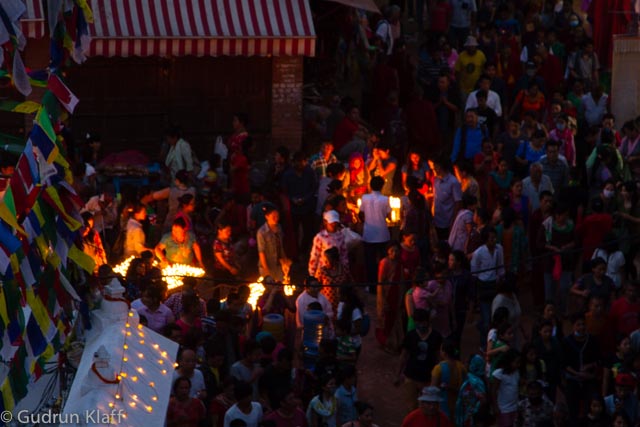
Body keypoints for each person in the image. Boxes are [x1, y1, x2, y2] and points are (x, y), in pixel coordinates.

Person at [395, 309, 443, 412]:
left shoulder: (436, 336)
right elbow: (403, 356)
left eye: (423, 322)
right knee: (411, 407)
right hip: (411, 377)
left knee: (426, 408)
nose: (421, 325)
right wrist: (397, 374)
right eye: (418, 322)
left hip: (428, 378)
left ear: (428, 321)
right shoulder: (410, 336)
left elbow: (438, 357)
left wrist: (439, 376)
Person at [563, 312, 600, 422]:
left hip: (589, 378)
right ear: (573, 326)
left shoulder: (592, 340)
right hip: (573, 379)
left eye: (583, 324)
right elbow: (564, 364)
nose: (581, 327)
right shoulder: (566, 342)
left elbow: (598, 360)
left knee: (590, 406)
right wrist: (577, 374)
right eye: (578, 325)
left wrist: (589, 367)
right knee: (572, 408)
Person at [471, 226, 506, 343]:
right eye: (491, 238)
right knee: (486, 318)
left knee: (494, 315)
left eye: (495, 238)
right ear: (485, 240)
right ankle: (484, 343)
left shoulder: (499, 249)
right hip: (483, 286)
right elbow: (474, 273)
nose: (494, 240)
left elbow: (501, 268)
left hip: (494, 285)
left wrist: (501, 280)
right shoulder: (478, 253)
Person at [360, 176, 391, 285]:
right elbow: (389, 215)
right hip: (382, 234)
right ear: (382, 186)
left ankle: (371, 283)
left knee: (370, 261)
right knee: (383, 260)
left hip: (369, 233)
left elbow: (361, 212)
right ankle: (383, 282)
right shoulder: (385, 199)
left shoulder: (365, 198)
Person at [431, 340, 467, 418]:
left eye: (441, 350)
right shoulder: (461, 367)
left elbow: (433, 389)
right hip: (458, 406)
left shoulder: (438, 368)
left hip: (443, 406)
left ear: (444, 353)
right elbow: (464, 387)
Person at [309, 210, 349, 278]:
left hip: (337, 271)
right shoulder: (320, 237)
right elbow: (315, 255)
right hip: (323, 271)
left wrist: (345, 269)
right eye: (331, 223)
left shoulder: (340, 236)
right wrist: (312, 273)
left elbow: (344, 254)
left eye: (335, 223)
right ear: (325, 222)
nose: (333, 225)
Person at [256, 205, 291, 282]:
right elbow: (261, 252)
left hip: (278, 265)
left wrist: (284, 261)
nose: (276, 218)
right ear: (267, 217)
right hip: (268, 265)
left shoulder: (279, 228)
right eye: (273, 216)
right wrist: (266, 270)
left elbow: (281, 246)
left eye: (277, 216)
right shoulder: (262, 232)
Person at [432, 157, 463, 240]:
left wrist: (453, 221)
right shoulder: (436, 180)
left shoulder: (453, 182)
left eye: (434, 167)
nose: (433, 169)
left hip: (447, 222)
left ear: (439, 167)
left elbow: (458, 202)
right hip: (437, 220)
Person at [490, 349, 521, 427]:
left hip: (515, 407)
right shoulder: (499, 373)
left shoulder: (516, 372)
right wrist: (495, 407)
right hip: (503, 408)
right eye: (516, 362)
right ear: (509, 362)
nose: (518, 365)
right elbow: (493, 391)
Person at [455, 354, 487, 427]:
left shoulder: (473, 381)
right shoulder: (479, 380)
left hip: (471, 418)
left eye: (467, 362)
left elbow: (480, 401)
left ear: (473, 365)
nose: (465, 365)